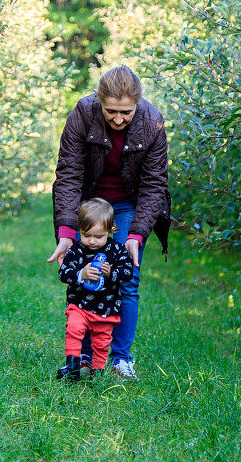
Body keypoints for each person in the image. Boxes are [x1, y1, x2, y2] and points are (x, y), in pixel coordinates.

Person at [47, 65, 170, 381]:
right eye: (111, 111)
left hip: (128, 203)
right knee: (83, 273)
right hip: (89, 201)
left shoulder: (153, 122)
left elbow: (154, 184)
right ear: (98, 102)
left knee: (127, 276)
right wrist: (66, 232)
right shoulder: (83, 114)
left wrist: (137, 235)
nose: (118, 119)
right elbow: (69, 173)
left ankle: (121, 358)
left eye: (125, 112)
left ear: (138, 105)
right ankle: (85, 355)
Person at [56, 198, 134, 381]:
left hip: (106, 307)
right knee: (73, 328)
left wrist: (111, 273)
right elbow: (63, 274)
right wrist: (80, 274)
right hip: (80, 304)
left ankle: (97, 372)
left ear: (111, 230)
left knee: (101, 341)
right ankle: (73, 364)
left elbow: (128, 272)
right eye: (86, 235)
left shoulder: (117, 250)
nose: (91, 241)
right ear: (79, 230)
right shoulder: (76, 250)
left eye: (98, 236)